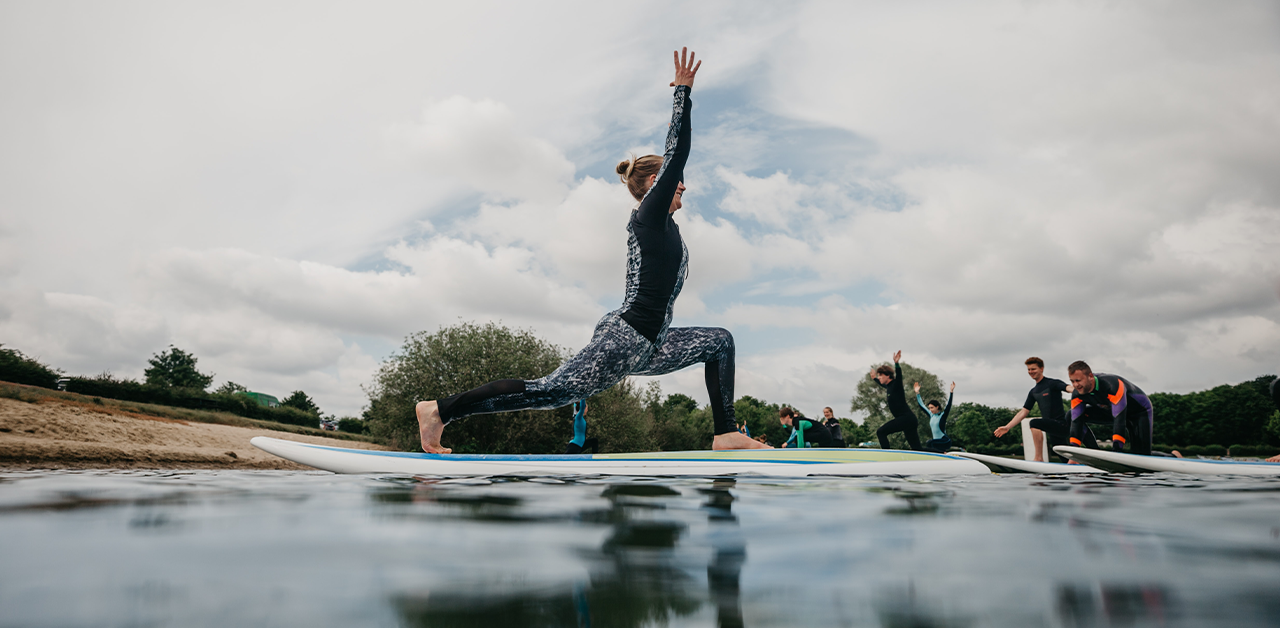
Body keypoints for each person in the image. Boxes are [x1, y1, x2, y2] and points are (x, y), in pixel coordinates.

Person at [413, 48, 768, 454]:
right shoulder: (648, 217)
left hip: (652, 343)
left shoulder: (667, 226)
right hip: (626, 336)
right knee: (551, 391)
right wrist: (682, 94)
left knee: (719, 341)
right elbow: (678, 154)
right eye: (674, 181)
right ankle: (439, 411)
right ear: (656, 182)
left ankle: (725, 434)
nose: (683, 185)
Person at [994, 357, 1093, 462]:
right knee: (1064, 458)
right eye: (1029, 369)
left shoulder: (1052, 383)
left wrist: (1080, 390)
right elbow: (1023, 412)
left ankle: (1038, 458)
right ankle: (1080, 468)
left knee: (1034, 423)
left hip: (1062, 424)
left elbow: (1068, 388)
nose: (1031, 372)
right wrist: (1007, 427)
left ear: (1041, 369)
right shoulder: (1033, 391)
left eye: (1033, 369)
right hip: (1052, 429)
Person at [1067, 361, 1155, 455]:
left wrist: (1117, 451)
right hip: (1110, 411)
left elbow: (1119, 419)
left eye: (1078, 380)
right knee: (1070, 415)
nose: (1075, 385)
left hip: (1138, 413)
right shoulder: (1077, 393)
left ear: (1090, 376)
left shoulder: (1112, 385)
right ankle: (1094, 452)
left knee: (1141, 455)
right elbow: (1076, 421)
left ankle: (1172, 455)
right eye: (1072, 381)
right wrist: (1074, 453)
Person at [870, 350, 922, 451]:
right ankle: (943, 453)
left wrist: (897, 363)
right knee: (917, 449)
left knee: (881, 432)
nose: (879, 377)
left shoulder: (896, 384)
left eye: (881, 375)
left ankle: (887, 455)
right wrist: (874, 379)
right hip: (909, 420)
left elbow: (899, 376)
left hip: (906, 418)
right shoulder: (889, 386)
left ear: (888, 376)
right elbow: (882, 384)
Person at [916, 381, 955, 453]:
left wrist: (951, 392)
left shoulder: (942, 415)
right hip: (936, 443)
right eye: (929, 408)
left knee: (929, 443)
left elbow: (948, 405)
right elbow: (922, 406)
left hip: (945, 441)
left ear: (937, 407)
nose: (930, 410)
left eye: (932, 408)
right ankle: (941, 454)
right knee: (929, 445)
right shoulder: (931, 415)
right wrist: (917, 393)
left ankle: (942, 453)